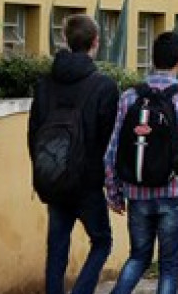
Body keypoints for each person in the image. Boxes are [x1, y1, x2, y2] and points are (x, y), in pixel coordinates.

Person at [104, 31, 178, 294]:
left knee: (138, 257)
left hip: (137, 193)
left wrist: (114, 193)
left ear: (152, 59)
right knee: (169, 267)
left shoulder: (130, 97)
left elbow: (112, 149)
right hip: (173, 193)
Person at [27, 15, 119, 294]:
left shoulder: (45, 84)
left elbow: (33, 134)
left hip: (53, 177)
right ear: (96, 42)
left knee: (56, 247)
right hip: (87, 182)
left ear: (66, 40)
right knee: (101, 241)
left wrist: (47, 168)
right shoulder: (104, 86)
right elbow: (109, 140)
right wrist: (109, 181)